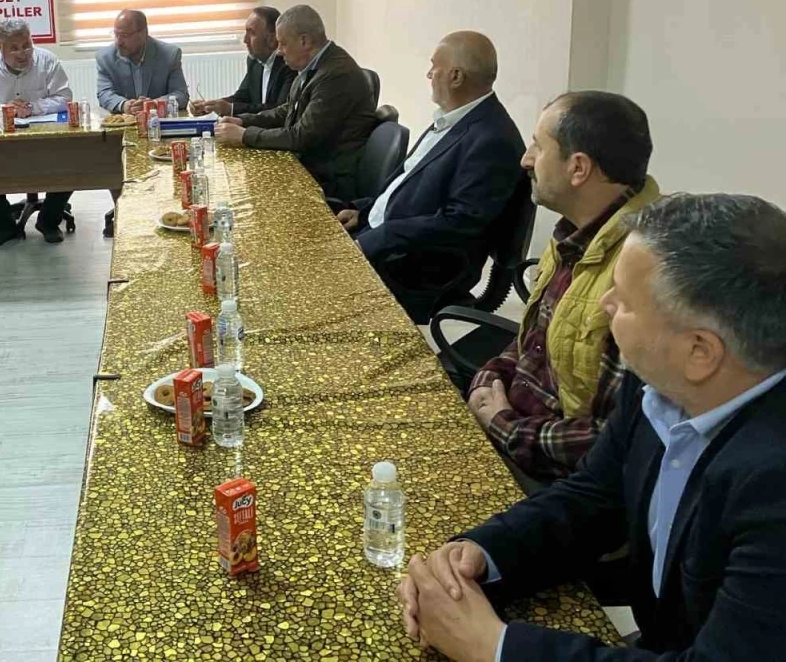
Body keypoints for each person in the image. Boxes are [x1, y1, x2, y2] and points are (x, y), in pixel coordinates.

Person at [397, 193, 786, 662]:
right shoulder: (660, 382)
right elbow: (594, 496)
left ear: (699, 351)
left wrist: (492, 646)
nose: (604, 304)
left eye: (624, 300)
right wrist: (482, 553)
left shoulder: (772, 484)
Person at [464, 91, 660, 486]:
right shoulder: (575, 232)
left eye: (537, 146)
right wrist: (489, 376)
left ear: (578, 168)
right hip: (513, 428)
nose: (526, 159)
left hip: (552, 479)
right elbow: (533, 342)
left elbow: (614, 439)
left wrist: (502, 425)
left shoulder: (645, 271)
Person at [337, 32, 524, 322]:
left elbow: (460, 223)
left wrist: (380, 237)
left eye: (434, 66)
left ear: (456, 76)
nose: (429, 74)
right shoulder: (454, 117)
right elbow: (408, 180)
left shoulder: (492, 138)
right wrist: (365, 213)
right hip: (388, 237)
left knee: (310, 286)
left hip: (415, 266)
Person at [213, 5, 378, 202]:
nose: (279, 52)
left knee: (250, 193)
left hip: (328, 178)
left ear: (304, 41)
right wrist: (243, 121)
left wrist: (245, 135)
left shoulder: (336, 75)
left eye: (283, 44)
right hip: (310, 165)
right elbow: (288, 110)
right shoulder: (312, 66)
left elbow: (301, 137)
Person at [0, 19, 74, 247]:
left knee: (72, 159)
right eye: (14, 48)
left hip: (44, 134)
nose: (22, 53)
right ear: (0, 47)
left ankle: (48, 221)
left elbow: (64, 97)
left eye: (26, 45)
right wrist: (4, 109)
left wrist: (33, 107)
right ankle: (3, 226)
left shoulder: (47, 60)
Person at [190, 6, 291, 116]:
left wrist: (231, 109)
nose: (245, 40)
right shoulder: (255, 61)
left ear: (272, 40)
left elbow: (279, 110)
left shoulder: (289, 64)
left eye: (251, 33)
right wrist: (211, 105)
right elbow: (242, 97)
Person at [95, 9, 189, 115]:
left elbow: (181, 94)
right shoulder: (105, 58)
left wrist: (155, 104)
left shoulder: (169, 55)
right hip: (124, 121)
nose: (118, 42)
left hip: (157, 121)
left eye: (124, 36)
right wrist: (124, 105)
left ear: (143, 34)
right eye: (116, 34)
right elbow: (104, 93)